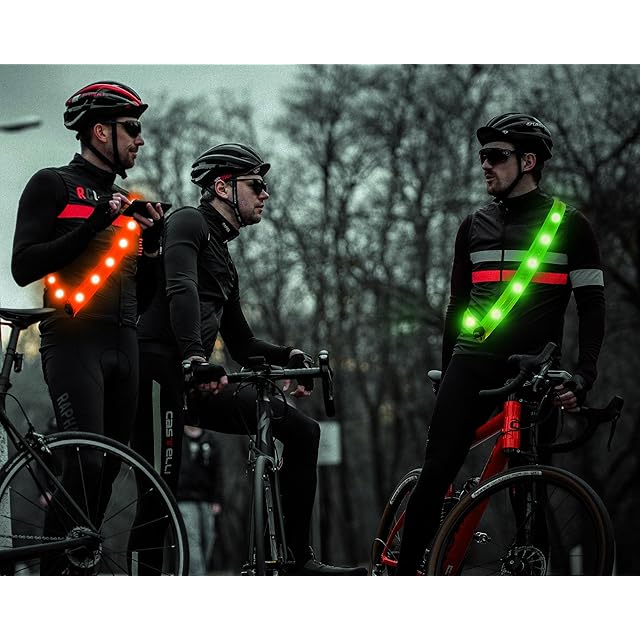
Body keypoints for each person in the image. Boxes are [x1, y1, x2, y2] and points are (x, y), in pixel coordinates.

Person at [134, 142, 366, 575]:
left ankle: (297, 560)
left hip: (197, 377)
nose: (265, 194)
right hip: (159, 372)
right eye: (256, 185)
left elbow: (241, 343)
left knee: (303, 431)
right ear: (223, 187)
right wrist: (194, 358)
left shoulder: (224, 257)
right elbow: (180, 287)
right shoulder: (187, 222)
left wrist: (289, 356)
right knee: (158, 495)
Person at [396, 113, 605, 575]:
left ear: (528, 161)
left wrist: (584, 374)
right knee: (438, 469)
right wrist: (447, 372)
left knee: (528, 488)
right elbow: (456, 306)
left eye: (496, 156)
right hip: (471, 363)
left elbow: (592, 307)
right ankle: (406, 580)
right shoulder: (472, 225)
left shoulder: (571, 225)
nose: (485, 165)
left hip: (535, 372)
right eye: (482, 157)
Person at [11, 81, 166, 574]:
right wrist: (91, 225)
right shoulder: (52, 184)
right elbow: (23, 267)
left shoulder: (127, 201)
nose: (140, 139)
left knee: (111, 468)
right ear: (100, 131)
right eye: (132, 128)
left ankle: (75, 566)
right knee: (85, 463)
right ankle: (52, 578)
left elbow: (144, 297)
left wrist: (154, 248)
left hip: (124, 340)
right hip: (73, 339)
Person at [176, 425, 224, 575]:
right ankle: (197, 576)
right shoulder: (177, 438)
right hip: (184, 498)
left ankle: (198, 573)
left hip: (207, 500)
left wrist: (217, 499)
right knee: (192, 540)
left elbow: (218, 472)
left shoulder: (210, 440)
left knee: (208, 539)